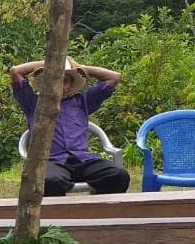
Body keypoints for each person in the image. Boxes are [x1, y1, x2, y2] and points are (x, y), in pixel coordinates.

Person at [9, 57, 128, 196]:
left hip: (83, 160)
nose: (59, 85)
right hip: (51, 162)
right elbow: (15, 72)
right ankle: (59, 210)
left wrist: (82, 68)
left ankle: (97, 207)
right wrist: (52, 63)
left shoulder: (82, 102)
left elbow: (114, 77)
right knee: (50, 181)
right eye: (55, 80)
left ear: (71, 85)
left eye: (64, 81)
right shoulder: (32, 103)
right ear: (45, 82)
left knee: (118, 176)